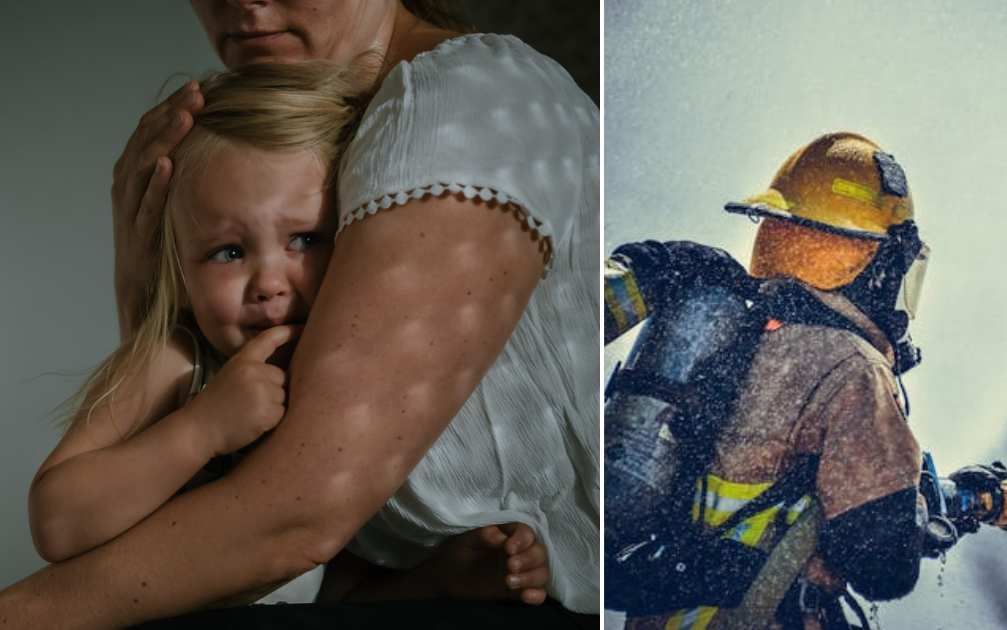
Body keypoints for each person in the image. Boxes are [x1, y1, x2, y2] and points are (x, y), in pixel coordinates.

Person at [0, 1, 598, 626]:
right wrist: (151, 306)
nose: (245, 3)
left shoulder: (460, 105)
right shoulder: (198, 357)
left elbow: (297, 518)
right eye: (227, 251)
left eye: (307, 240)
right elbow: (101, 521)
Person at [606, 132, 941, 629]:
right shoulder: (853, 370)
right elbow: (883, 566)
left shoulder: (737, 336)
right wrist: (923, 509)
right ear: (875, 263)